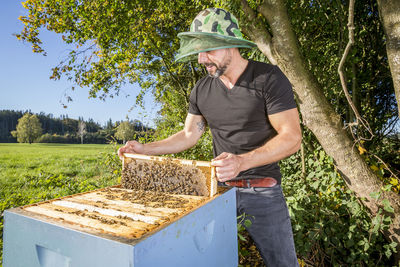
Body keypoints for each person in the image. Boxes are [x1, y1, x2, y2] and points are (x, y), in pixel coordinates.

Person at [118, 7, 301, 267]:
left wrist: (241, 162)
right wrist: (145, 148)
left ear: (231, 45)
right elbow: (189, 134)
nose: (202, 59)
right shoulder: (201, 90)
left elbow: (292, 137)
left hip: (263, 191)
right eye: (199, 52)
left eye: (209, 50)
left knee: (283, 263)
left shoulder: (268, 78)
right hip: (218, 192)